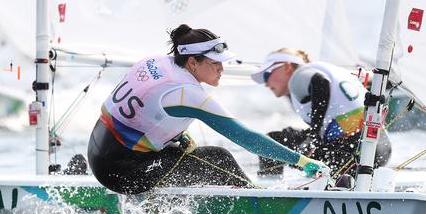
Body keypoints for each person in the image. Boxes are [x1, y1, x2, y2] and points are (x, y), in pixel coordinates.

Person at [87, 25, 329, 194]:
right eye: (215, 64)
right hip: (120, 172)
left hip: (98, 150)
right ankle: (261, 202)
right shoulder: (188, 93)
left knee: (191, 155)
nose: (222, 69)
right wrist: (301, 160)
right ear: (192, 62)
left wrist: (174, 136)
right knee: (218, 159)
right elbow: (247, 139)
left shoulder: (154, 62)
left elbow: (144, 112)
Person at [250, 48, 392, 176]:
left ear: (287, 67)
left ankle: (269, 189)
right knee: (303, 144)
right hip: (379, 150)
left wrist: (313, 136)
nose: (266, 83)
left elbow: (320, 83)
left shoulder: (299, 76)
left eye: (266, 75)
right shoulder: (330, 70)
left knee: (271, 142)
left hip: (352, 151)